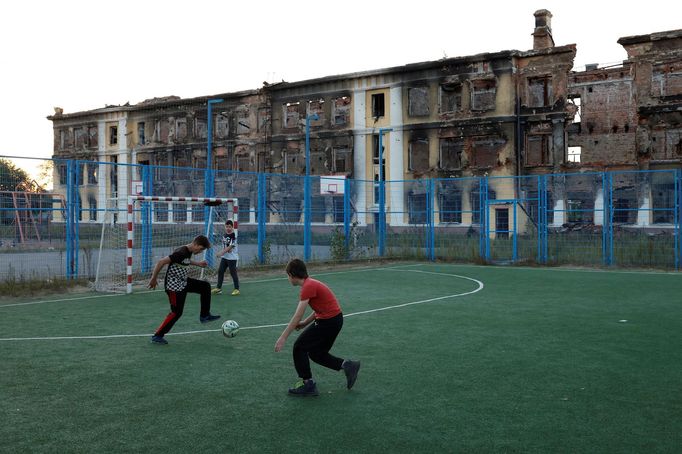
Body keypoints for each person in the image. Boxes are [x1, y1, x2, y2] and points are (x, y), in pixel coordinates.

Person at [275, 258, 360, 396]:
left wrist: (283, 337)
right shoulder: (310, 284)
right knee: (316, 354)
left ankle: (308, 385)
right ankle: (348, 366)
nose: (287, 278)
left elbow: (297, 316)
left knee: (299, 347)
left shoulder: (308, 287)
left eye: (287, 275)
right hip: (334, 320)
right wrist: (304, 324)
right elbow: (320, 309)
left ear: (292, 275)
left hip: (329, 322)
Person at [148, 234, 220, 345]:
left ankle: (205, 315)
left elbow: (186, 260)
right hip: (173, 287)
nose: (200, 252)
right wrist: (153, 278)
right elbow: (161, 262)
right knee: (176, 312)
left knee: (205, 286)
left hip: (183, 282)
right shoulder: (181, 252)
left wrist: (198, 264)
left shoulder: (188, 251)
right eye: (200, 249)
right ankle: (157, 335)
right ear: (195, 244)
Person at [212, 219, 240, 296]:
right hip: (225, 257)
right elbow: (225, 246)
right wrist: (223, 253)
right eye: (227, 226)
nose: (228, 228)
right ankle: (218, 289)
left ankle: (237, 289)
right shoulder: (225, 235)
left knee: (233, 273)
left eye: (230, 227)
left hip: (232, 258)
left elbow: (230, 248)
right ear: (225, 227)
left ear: (232, 227)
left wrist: (221, 252)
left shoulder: (233, 236)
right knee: (220, 271)